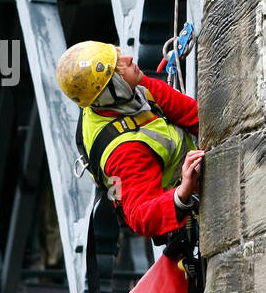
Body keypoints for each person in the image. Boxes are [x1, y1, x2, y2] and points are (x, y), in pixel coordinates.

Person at [56, 39, 204, 240]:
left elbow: (192, 114)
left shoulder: (131, 91)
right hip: (187, 212)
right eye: (118, 67)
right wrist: (182, 192)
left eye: (119, 55)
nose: (129, 58)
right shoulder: (126, 152)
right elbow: (141, 216)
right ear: (110, 90)